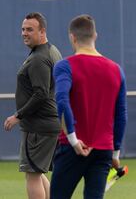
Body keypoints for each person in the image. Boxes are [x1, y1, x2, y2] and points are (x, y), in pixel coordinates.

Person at [50, 14, 127, 199]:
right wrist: (115, 152)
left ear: (72, 37)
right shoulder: (116, 70)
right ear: (95, 36)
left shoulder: (64, 66)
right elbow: (121, 115)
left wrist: (74, 140)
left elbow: (61, 101)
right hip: (103, 151)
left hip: (71, 149)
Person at [3, 12, 62, 199]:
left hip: (39, 127)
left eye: (30, 29)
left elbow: (41, 94)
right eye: (23, 29)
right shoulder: (51, 50)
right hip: (48, 124)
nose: (24, 33)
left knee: (32, 174)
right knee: (38, 172)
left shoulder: (38, 59)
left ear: (42, 31)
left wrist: (17, 116)